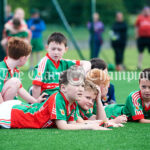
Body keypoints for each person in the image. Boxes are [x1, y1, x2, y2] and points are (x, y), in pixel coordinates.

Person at [0, 66, 108, 130]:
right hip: (11, 115)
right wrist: (89, 126)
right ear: (63, 88)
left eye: (82, 85)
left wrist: (98, 123)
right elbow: (63, 126)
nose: (80, 89)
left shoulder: (73, 101)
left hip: (18, 108)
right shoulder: (57, 98)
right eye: (76, 85)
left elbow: (73, 124)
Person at [32, 32, 91, 98]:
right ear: (47, 48)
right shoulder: (43, 63)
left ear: (65, 50)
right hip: (48, 97)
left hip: (62, 96)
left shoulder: (64, 62)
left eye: (59, 49)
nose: (56, 52)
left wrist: (81, 73)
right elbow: (36, 86)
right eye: (53, 49)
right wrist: (35, 103)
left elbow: (87, 63)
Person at [0, 37, 46, 104]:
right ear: (22, 58)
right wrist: (3, 109)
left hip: (6, 103)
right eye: (27, 58)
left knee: (20, 103)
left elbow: (20, 89)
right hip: (2, 106)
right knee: (15, 81)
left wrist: (35, 101)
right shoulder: (1, 69)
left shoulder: (15, 70)